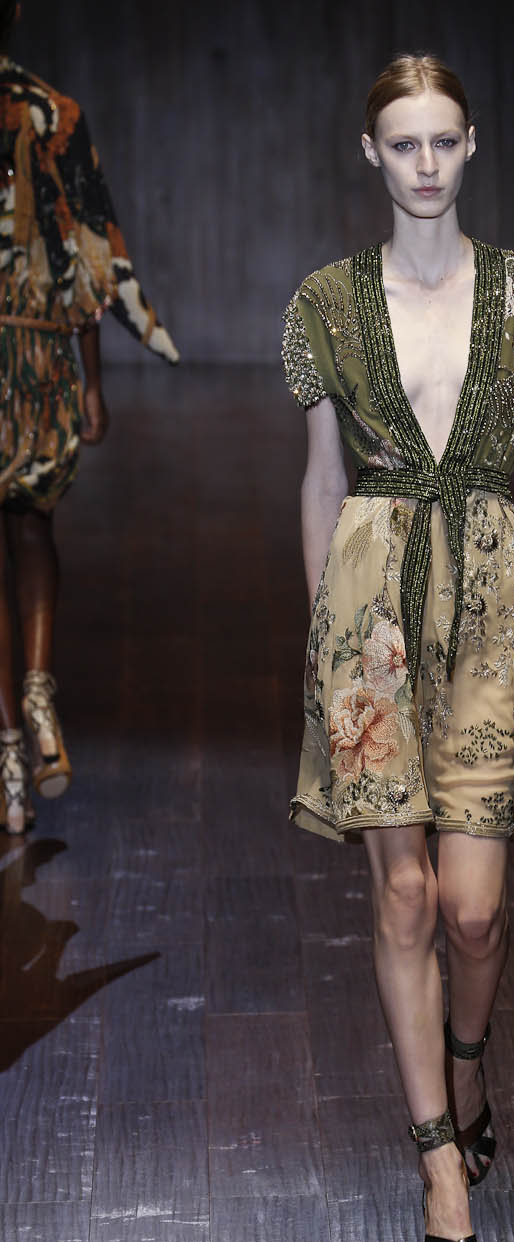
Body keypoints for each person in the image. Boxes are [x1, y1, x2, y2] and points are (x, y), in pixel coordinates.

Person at [282, 54, 514, 1242]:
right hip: (371, 614)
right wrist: (325, 643)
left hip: (498, 607)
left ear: (471, 145)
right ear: (371, 153)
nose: (423, 163)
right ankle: (439, 1163)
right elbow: (321, 480)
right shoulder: (325, 303)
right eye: (402, 143)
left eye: (442, 141)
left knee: (474, 910)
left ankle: (468, 1062)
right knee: (404, 897)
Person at [0, 2, 178, 833]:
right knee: (31, 526)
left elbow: (84, 251)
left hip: (30, 347)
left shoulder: (53, 115)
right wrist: (93, 382)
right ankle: (35, 698)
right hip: (37, 351)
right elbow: (88, 254)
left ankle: (10, 747)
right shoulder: (53, 113)